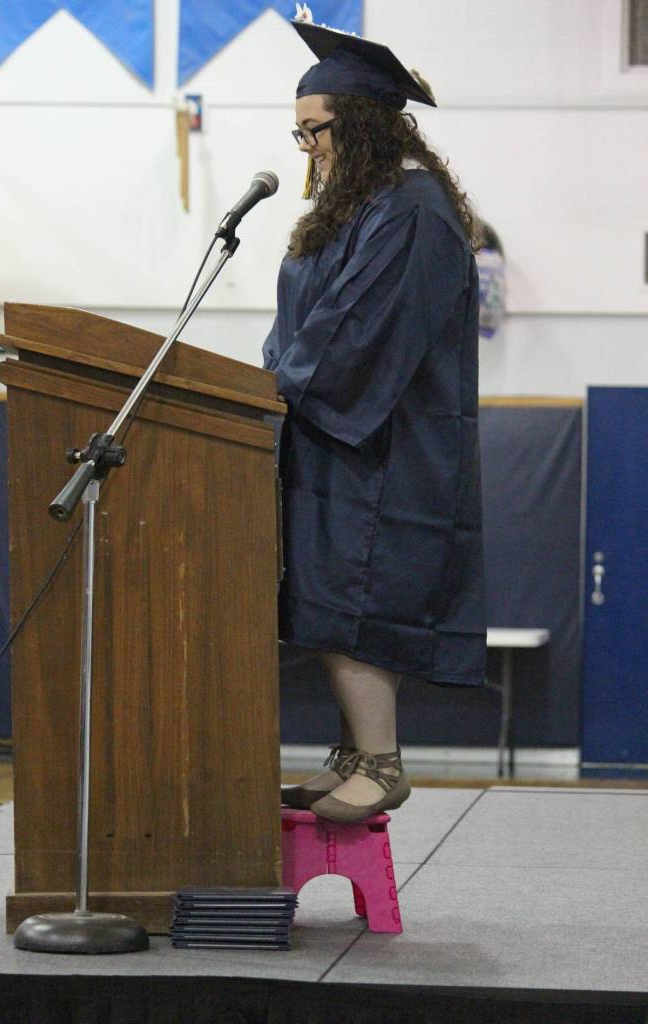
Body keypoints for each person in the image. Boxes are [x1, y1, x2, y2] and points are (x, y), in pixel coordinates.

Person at [262, 12, 486, 823]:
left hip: (383, 443)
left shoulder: (411, 209)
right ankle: (355, 750)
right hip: (335, 436)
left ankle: (382, 761)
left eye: (313, 131)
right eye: (300, 135)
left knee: (360, 595)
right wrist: (266, 383)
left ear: (356, 123)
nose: (308, 148)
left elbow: (358, 334)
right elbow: (300, 324)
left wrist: (281, 386)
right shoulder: (356, 206)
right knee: (326, 590)